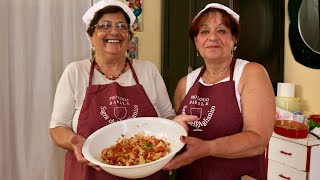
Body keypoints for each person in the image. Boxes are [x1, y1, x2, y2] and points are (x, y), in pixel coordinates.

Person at [49, 1, 195, 179]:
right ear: (91, 35)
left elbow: (166, 115)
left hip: (147, 171)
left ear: (128, 36)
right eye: (105, 25)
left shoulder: (148, 70)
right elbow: (58, 128)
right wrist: (73, 142)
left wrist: (175, 123)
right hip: (91, 173)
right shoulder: (76, 72)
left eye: (121, 26)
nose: (114, 32)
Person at [163, 3, 276, 180]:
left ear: (234, 39)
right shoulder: (185, 84)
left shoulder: (251, 73)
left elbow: (258, 141)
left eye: (222, 31)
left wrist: (208, 148)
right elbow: (177, 133)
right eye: (204, 32)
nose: (213, 37)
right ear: (196, 42)